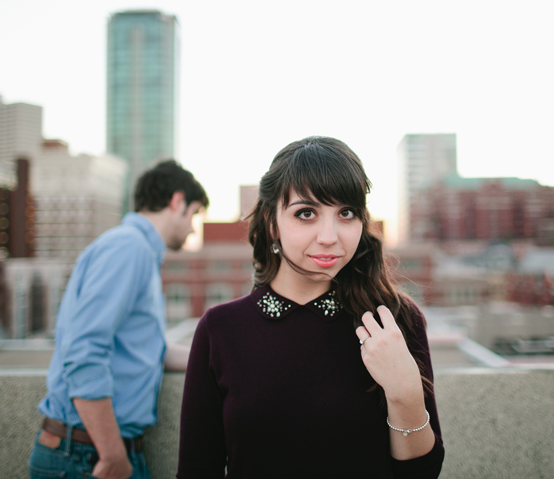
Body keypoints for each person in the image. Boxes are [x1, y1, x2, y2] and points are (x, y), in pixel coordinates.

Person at [177, 137, 444, 478]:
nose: (330, 236)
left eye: (346, 213)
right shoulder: (221, 329)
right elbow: (197, 469)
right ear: (273, 223)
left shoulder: (393, 320)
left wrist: (405, 392)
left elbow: (422, 474)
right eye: (306, 213)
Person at [29, 160, 209, 479]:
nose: (194, 227)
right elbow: (83, 351)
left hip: (95, 451)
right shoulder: (129, 247)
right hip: (90, 455)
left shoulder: (138, 251)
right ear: (177, 201)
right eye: (194, 214)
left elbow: (149, 351)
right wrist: (112, 456)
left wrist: (220, 356)